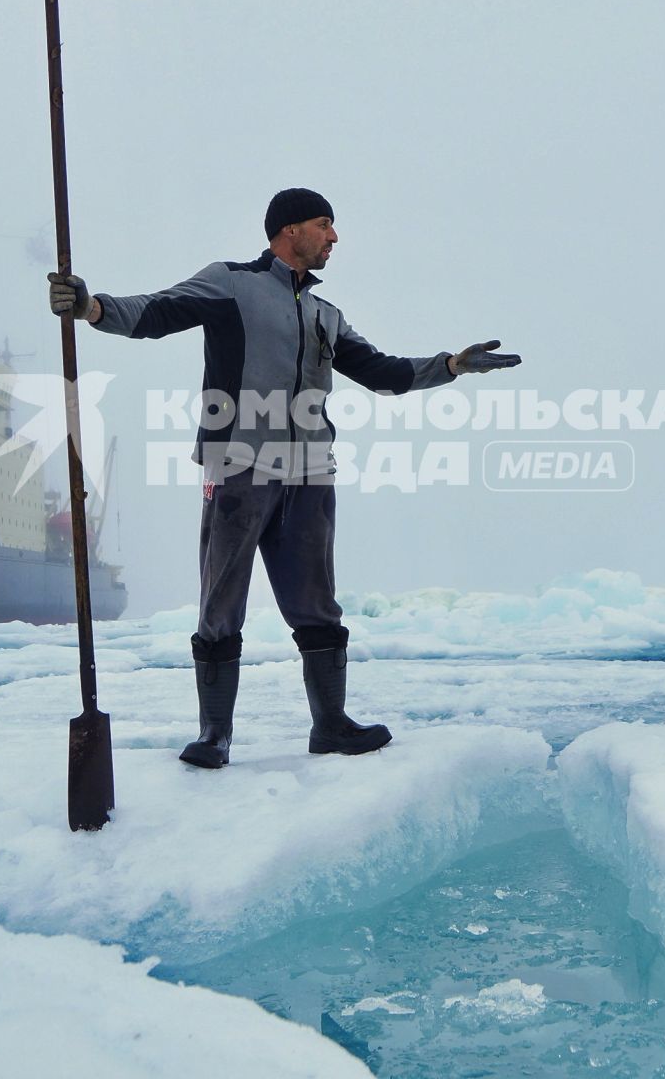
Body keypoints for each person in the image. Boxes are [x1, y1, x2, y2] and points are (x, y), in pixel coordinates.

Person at [48, 187, 520, 765]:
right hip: (239, 465)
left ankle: (332, 726)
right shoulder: (232, 282)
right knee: (221, 601)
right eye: (325, 225)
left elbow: (381, 373)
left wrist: (450, 366)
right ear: (289, 229)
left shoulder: (327, 314)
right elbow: (158, 312)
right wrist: (91, 308)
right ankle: (215, 735)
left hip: (311, 473)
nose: (334, 237)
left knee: (317, 604)